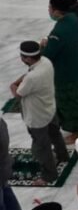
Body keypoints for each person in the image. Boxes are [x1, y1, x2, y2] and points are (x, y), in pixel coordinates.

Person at [11, 40, 67, 186]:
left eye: (22, 57)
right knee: (55, 134)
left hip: (37, 117)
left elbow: (18, 93)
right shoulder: (46, 62)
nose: (21, 59)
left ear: (28, 58)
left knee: (41, 147)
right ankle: (63, 156)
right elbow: (28, 75)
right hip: (49, 109)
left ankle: (49, 175)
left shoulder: (32, 77)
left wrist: (12, 85)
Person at [43, 0, 78, 142]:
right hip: (77, 65)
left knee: (69, 102)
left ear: (56, 10)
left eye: (50, 7)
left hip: (64, 73)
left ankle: (76, 131)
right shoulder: (73, 18)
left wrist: (43, 46)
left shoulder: (58, 31)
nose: (49, 10)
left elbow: (48, 55)